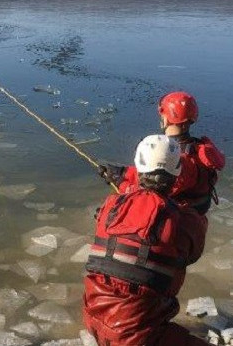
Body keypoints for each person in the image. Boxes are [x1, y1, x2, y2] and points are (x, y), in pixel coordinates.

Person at [83, 135, 210, 346]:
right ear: (177, 172)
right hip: (137, 338)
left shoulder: (110, 206)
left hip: (93, 320)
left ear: (139, 167)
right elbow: (193, 252)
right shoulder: (186, 222)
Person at [98, 91, 225, 215]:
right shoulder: (197, 149)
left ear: (167, 118)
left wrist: (119, 181)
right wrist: (122, 172)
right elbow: (159, 173)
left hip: (176, 220)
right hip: (194, 213)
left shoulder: (181, 160)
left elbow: (151, 195)